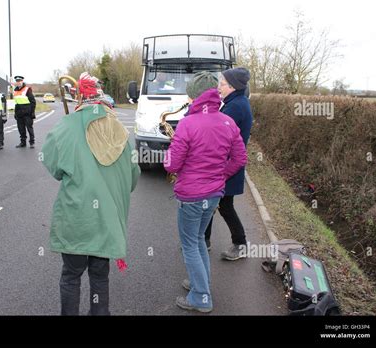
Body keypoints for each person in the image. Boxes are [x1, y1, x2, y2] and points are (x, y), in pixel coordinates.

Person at [41, 72, 140, 316]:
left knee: (71, 276)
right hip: (107, 218)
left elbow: (54, 167)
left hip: (76, 218)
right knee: (99, 276)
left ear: (79, 99)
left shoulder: (66, 125)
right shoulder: (118, 128)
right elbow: (133, 176)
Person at [163, 71, 247, 313]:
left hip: (191, 196)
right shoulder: (227, 121)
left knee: (190, 243)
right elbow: (240, 158)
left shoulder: (188, 123)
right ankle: (200, 283)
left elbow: (171, 165)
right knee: (198, 239)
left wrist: (172, 148)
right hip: (214, 194)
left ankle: (200, 296)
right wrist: (221, 174)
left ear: (195, 97)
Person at [204, 67, 254, 260]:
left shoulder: (235, 106)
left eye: (222, 84)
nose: (219, 88)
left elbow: (218, 134)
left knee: (215, 203)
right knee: (216, 203)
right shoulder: (235, 102)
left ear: (233, 86)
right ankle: (206, 240)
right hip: (227, 165)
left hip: (227, 166)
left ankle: (240, 244)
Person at [13, 75, 36, 148]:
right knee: (21, 129)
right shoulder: (15, 90)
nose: (18, 82)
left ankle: (32, 142)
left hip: (27, 113)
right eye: (17, 81)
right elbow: (16, 103)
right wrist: (15, 113)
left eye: (19, 81)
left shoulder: (27, 89)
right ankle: (23, 142)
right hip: (19, 114)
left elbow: (33, 102)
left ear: (22, 81)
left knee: (29, 128)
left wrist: (32, 112)